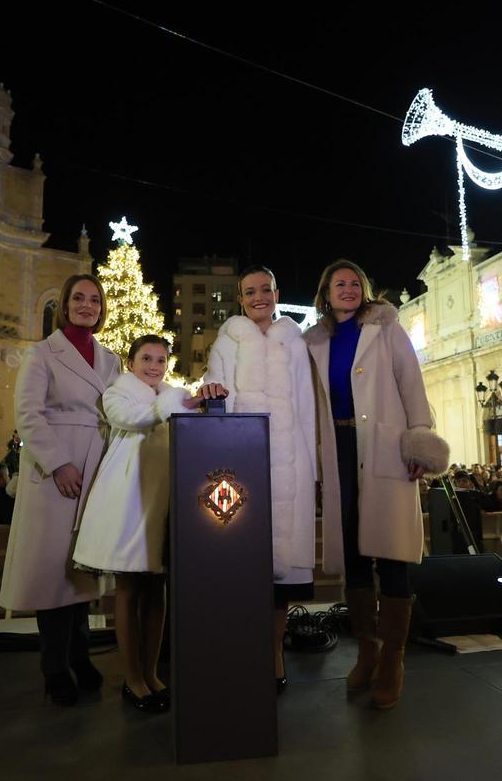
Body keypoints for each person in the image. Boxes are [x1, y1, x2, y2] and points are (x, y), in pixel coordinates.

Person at [304, 259, 449, 710]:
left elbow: (412, 382)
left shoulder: (386, 329)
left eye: (355, 283)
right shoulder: (314, 342)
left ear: (364, 290)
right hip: (339, 446)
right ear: (325, 294)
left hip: (383, 446)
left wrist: (418, 438)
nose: (347, 289)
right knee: (352, 553)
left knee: (390, 555)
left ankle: (392, 661)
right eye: (338, 284)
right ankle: (367, 650)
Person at [0, 274, 120, 707]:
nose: (87, 305)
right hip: (56, 474)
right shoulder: (42, 354)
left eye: (95, 299)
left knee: (81, 571)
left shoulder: (111, 360)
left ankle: (80, 655)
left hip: (95, 468)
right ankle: (54, 667)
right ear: (65, 305)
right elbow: (28, 415)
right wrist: (58, 463)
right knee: (53, 574)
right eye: (79, 298)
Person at [199, 265, 316, 693]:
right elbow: (216, 386)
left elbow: (307, 404)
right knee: (242, 561)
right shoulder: (229, 338)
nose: (259, 297)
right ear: (241, 298)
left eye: (266, 289)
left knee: (281, 578)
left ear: (277, 291)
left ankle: (274, 650)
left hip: (291, 460)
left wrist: (311, 464)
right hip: (243, 461)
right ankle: (239, 649)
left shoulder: (294, 341)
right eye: (250, 292)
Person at [74, 336, 207, 712]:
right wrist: (176, 400)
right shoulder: (118, 393)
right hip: (128, 502)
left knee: (156, 592)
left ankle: (151, 672)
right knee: (130, 591)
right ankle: (132, 678)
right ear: (130, 362)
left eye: (161, 359)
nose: (154, 365)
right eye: (146, 358)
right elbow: (131, 419)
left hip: (164, 503)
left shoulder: (170, 397)